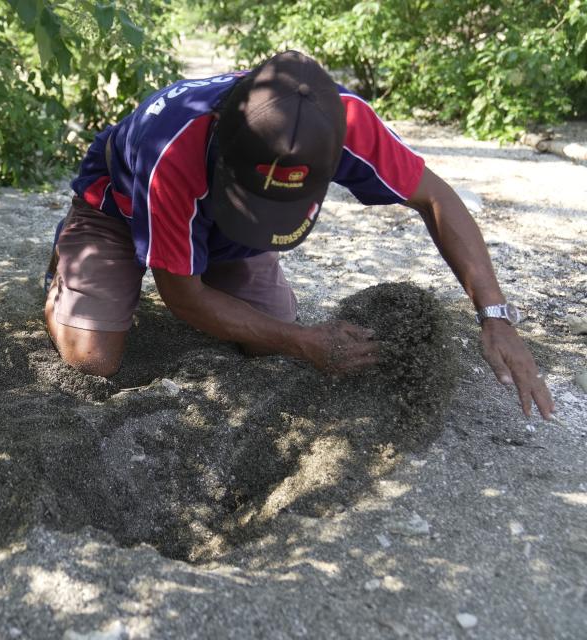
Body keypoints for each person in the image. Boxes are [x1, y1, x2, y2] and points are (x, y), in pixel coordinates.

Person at [44, 51, 554, 420]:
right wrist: (303, 341)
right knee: (91, 360)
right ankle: (67, 266)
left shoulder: (345, 120)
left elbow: (438, 199)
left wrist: (495, 315)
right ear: (222, 137)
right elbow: (182, 294)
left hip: (227, 228)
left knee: (268, 347)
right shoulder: (172, 148)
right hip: (117, 207)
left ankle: (240, 241)